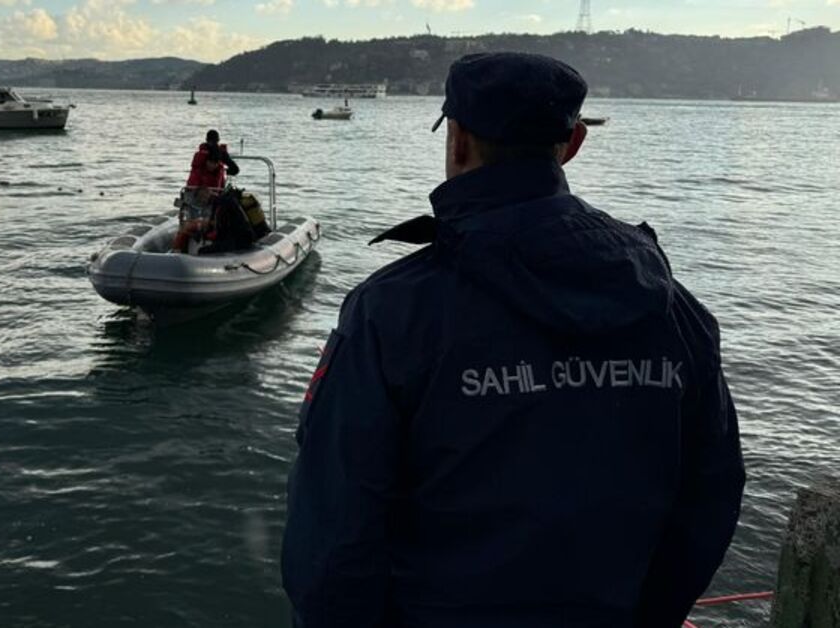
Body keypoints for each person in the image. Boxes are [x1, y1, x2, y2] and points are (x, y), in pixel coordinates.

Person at [281, 52, 745, 628]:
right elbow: (711, 499)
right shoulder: (675, 309)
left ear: (457, 140)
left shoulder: (392, 313)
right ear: (572, 143)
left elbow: (331, 541)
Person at [175, 130, 241, 253]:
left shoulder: (199, 155)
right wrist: (228, 171)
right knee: (210, 221)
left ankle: (182, 247)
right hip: (212, 195)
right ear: (218, 140)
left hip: (193, 193)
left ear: (206, 140)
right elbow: (235, 169)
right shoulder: (221, 154)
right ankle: (206, 241)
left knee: (190, 219)